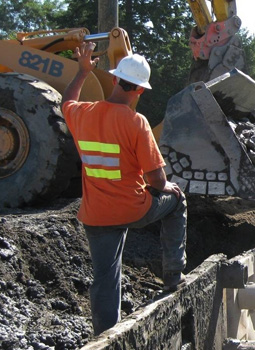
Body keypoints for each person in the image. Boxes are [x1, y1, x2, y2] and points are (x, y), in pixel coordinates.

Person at [61, 42, 187, 336]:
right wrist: (168, 187)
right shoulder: (136, 123)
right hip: (133, 209)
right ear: (141, 90)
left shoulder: (83, 114)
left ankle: (104, 336)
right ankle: (173, 275)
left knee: (105, 276)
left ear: (115, 79)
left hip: (96, 215)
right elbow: (156, 179)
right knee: (178, 202)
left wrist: (82, 72)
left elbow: (66, 101)